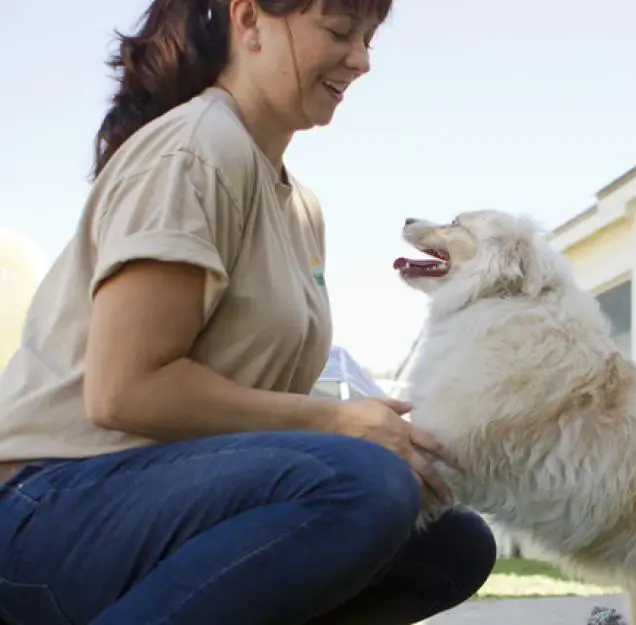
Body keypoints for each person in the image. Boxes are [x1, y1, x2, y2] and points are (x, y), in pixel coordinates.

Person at [0, 0, 497, 623]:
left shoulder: (300, 207)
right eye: (340, 31)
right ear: (249, 20)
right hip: (42, 510)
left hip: (153, 502)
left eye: (370, 38)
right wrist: (337, 423)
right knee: (361, 485)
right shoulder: (195, 151)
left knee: (450, 544)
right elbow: (126, 391)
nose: (362, 60)